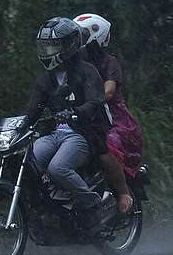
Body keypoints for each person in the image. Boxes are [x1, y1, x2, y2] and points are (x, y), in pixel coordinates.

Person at [26, 16, 110, 230]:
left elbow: (95, 101)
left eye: (53, 45)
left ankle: (92, 203)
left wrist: (76, 113)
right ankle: (53, 202)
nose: (48, 51)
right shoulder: (46, 79)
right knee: (29, 159)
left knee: (58, 167)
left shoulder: (86, 70)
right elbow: (33, 110)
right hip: (54, 134)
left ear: (68, 46)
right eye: (45, 46)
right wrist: (14, 126)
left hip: (82, 134)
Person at [73, 13, 143, 213]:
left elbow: (108, 92)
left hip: (113, 120)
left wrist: (88, 102)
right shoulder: (75, 65)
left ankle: (123, 192)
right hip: (85, 115)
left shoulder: (109, 63)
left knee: (107, 147)